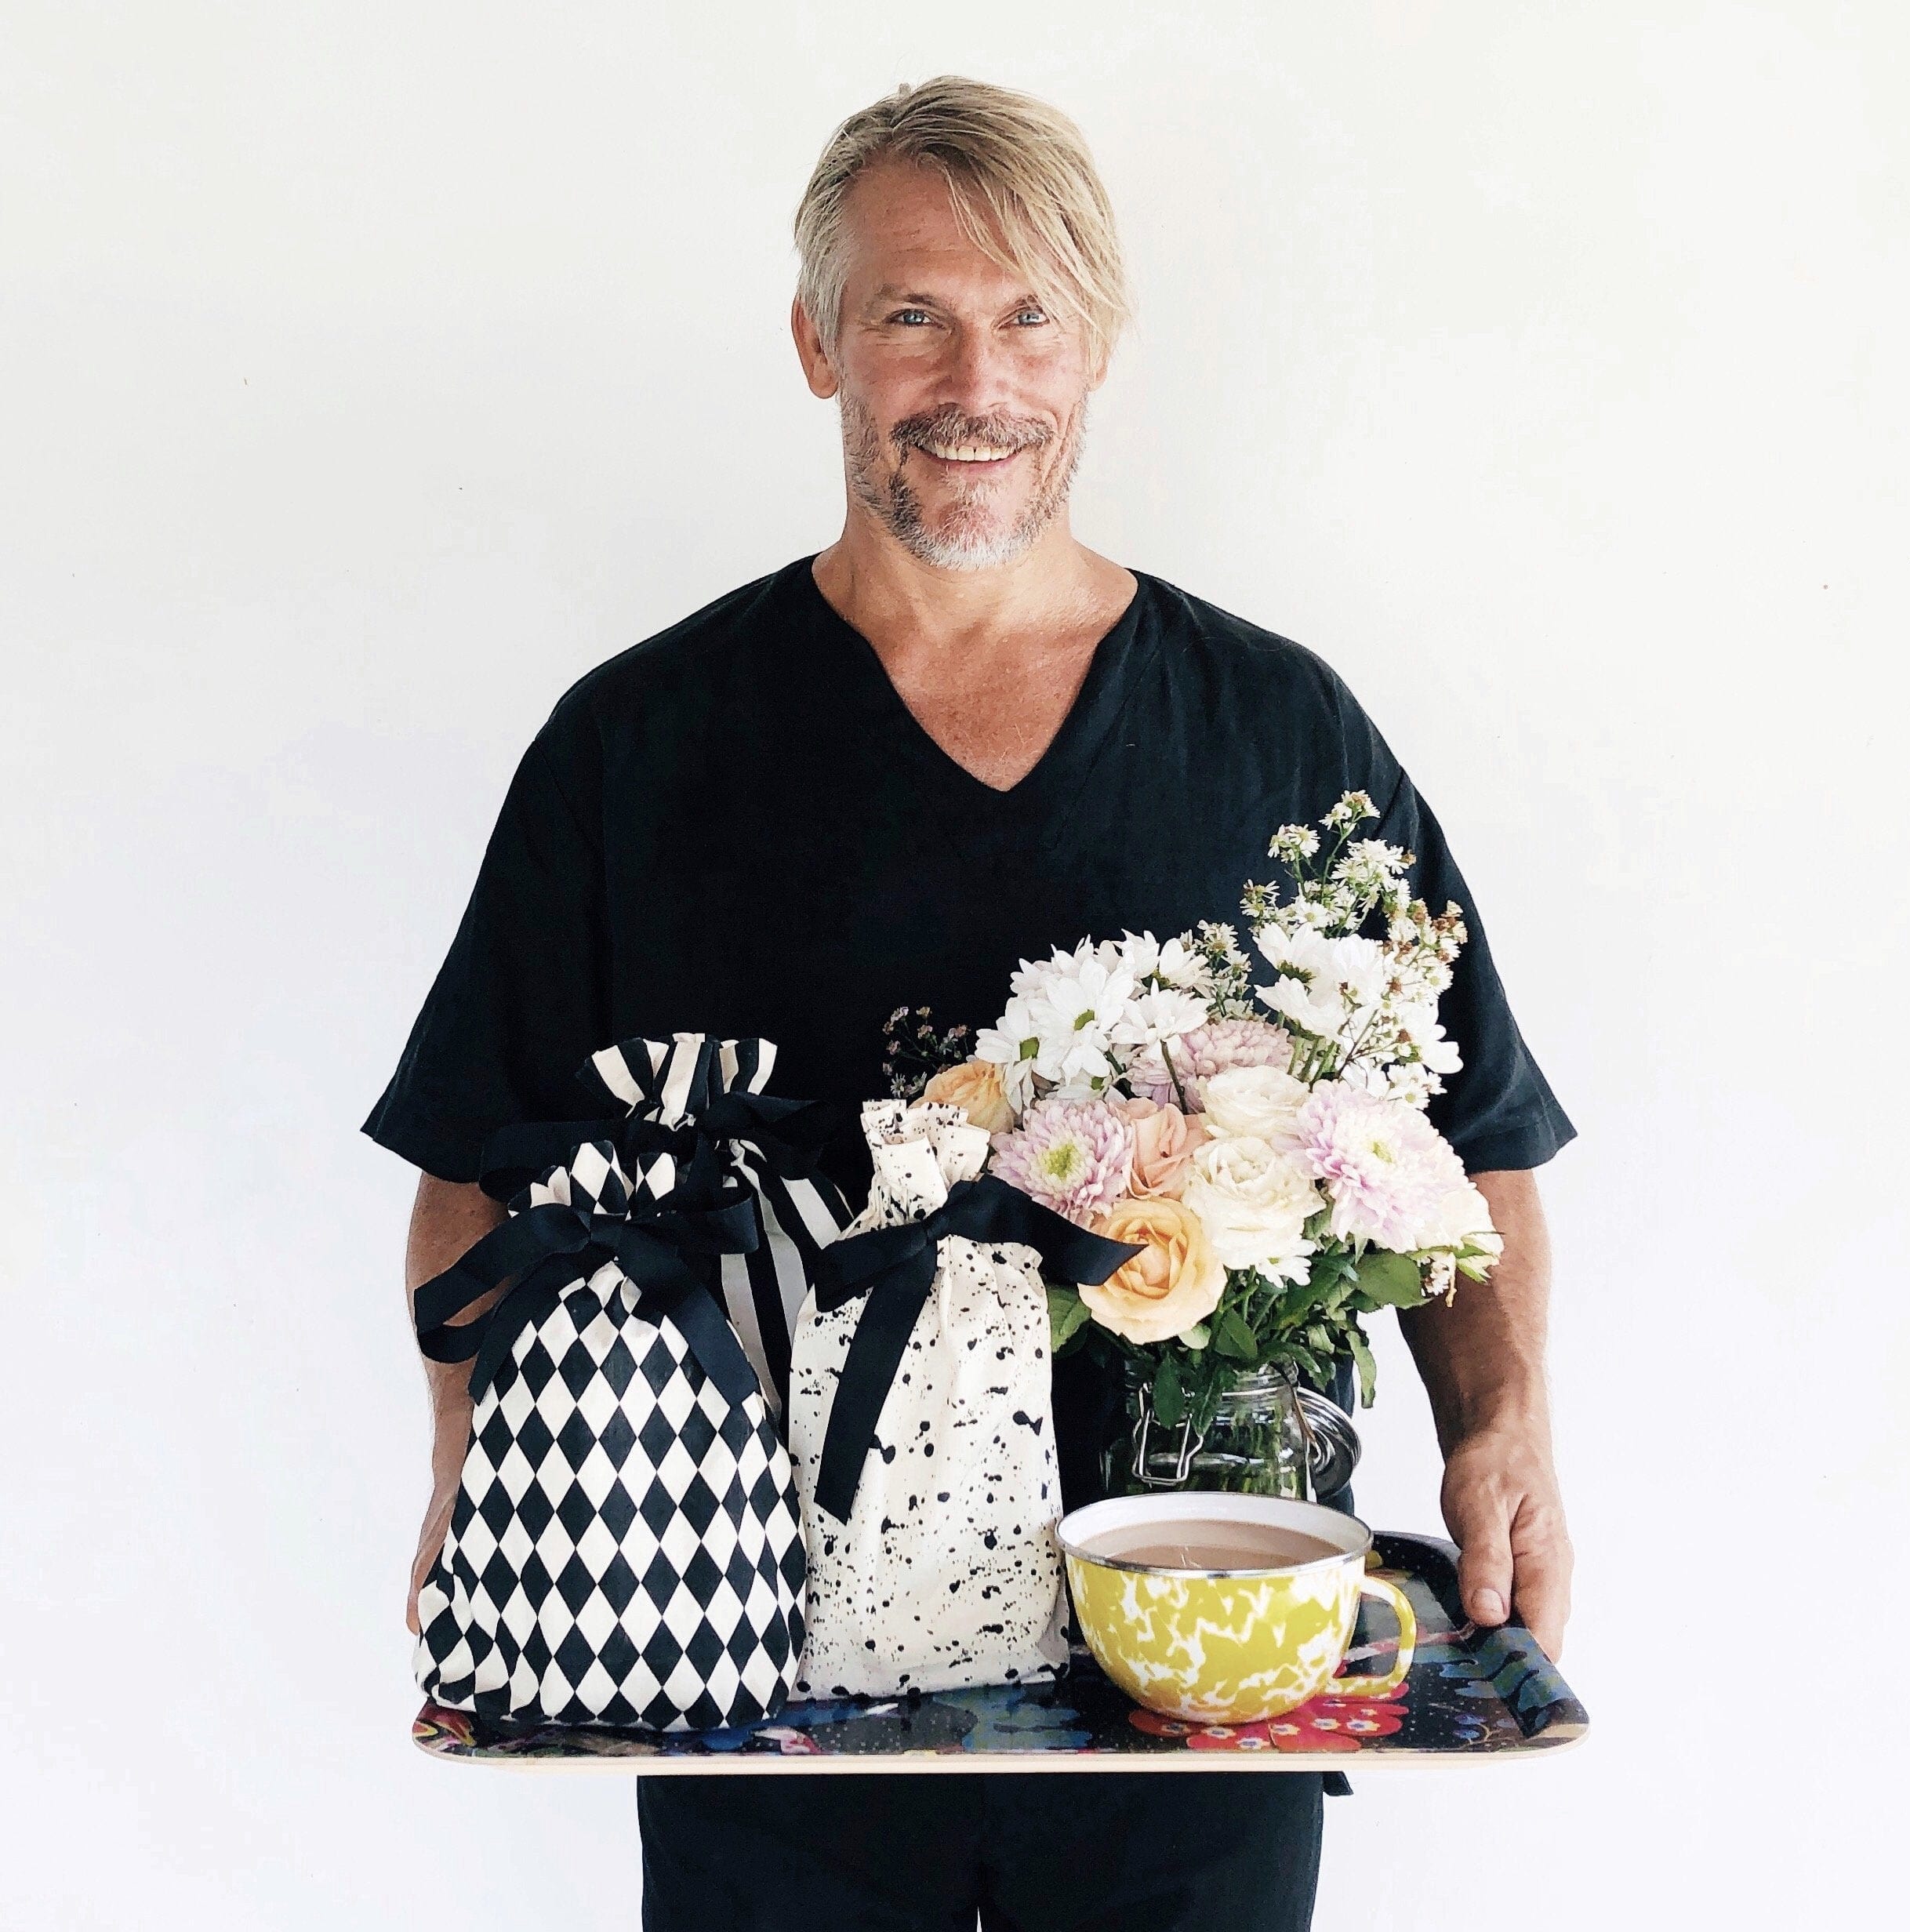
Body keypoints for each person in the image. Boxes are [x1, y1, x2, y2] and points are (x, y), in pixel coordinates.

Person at [365, 74, 1576, 1932]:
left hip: (1193, 1649)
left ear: (1094, 350)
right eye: (912, 311)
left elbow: (1464, 1143)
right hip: (766, 1667)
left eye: (1027, 316)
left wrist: (1505, 1427)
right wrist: (477, 1466)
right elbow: (471, 1153)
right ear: (817, 341)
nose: (973, 380)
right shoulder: (642, 742)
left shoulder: (1275, 728)